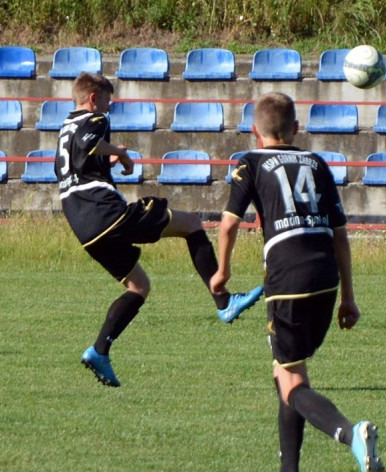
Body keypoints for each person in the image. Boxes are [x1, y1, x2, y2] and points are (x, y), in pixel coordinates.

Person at [210, 92, 384, 472]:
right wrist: (348, 297)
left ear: (255, 130)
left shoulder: (250, 162)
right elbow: (341, 235)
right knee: (287, 369)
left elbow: (229, 223)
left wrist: (222, 272)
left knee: (291, 383)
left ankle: (351, 433)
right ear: (296, 128)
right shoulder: (317, 163)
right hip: (325, 274)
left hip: (287, 276)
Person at [56, 72, 263, 388]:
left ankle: (99, 351)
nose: (109, 109)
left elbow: (76, 167)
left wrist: (108, 162)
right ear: (94, 99)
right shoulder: (94, 119)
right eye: (108, 102)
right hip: (106, 214)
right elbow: (90, 143)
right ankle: (224, 301)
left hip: (83, 226)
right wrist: (121, 153)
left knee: (138, 286)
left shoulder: (65, 127)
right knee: (191, 224)